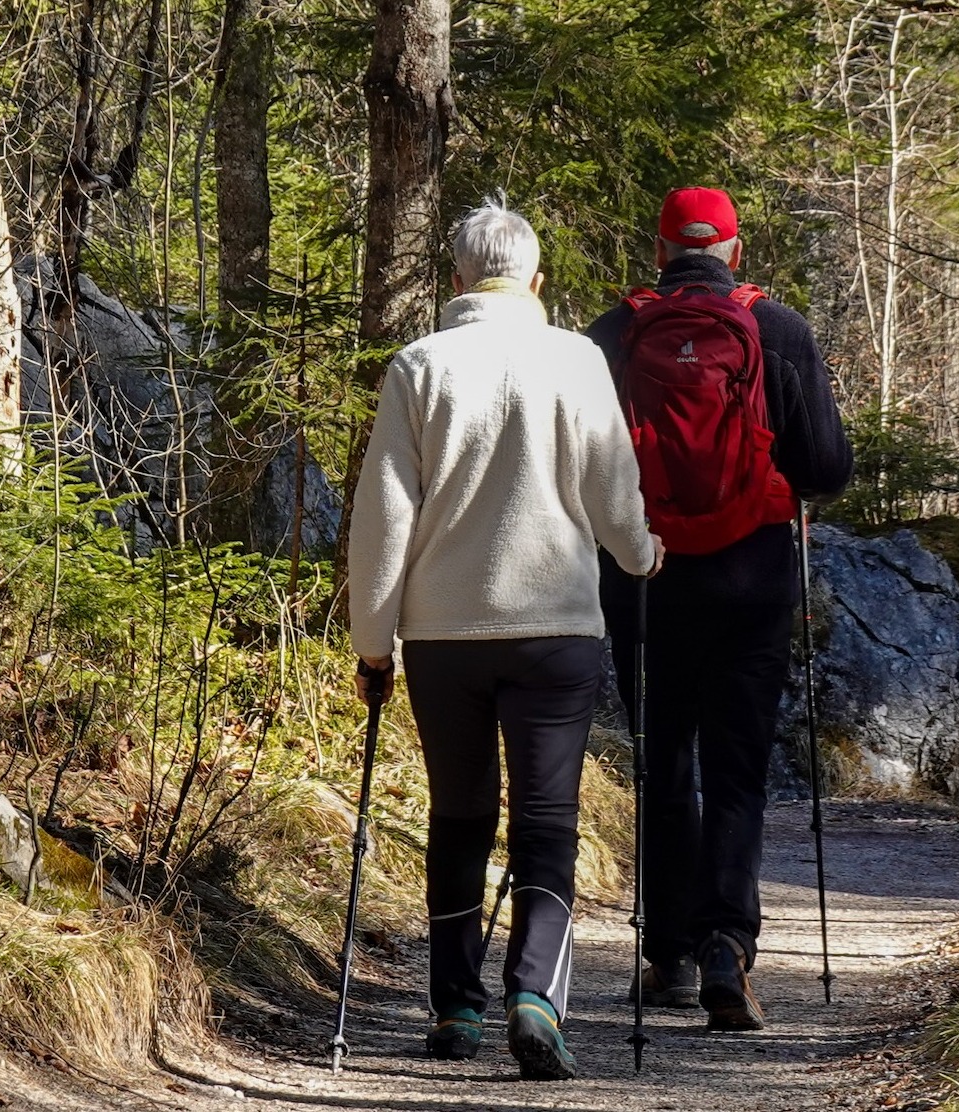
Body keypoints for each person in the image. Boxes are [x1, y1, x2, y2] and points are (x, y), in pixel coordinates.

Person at [349, 199, 663, 1081]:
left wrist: (374, 642)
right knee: (547, 821)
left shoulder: (420, 365)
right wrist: (641, 557)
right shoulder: (578, 359)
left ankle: (455, 1008)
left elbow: (384, 516)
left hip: (443, 634)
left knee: (458, 818)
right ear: (536, 276)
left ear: (456, 278)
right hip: (557, 630)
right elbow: (613, 486)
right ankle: (536, 995)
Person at [588, 186, 853, 1032]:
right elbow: (826, 467)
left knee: (663, 761)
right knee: (737, 767)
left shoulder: (616, 333)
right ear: (734, 252)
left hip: (644, 577)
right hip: (752, 579)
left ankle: (666, 956)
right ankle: (727, 952)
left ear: (660, 250)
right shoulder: (779, 332)